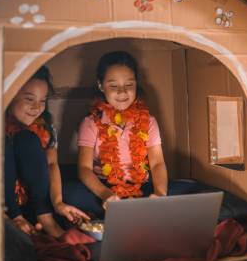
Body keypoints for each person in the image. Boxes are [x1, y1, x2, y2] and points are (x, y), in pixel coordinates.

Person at [63, 51, 204, 219]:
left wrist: (160, 194)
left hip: (141, 187)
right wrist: (106, 195)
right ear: (101, 86)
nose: (122, 92)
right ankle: (131, 211)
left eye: (129, 85)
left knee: (193, 189)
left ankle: (138, 209)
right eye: (114, 86)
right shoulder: (91, 122)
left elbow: (157, 163)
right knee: (69, 193)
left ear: (136, 83)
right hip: (105, 189)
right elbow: (84, 169)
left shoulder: (149, 121)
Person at [5, 66, 90, 238]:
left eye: (43, 101)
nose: (37, 108)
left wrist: (57, 203)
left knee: (27, 139)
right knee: (3, 143)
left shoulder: (45, 127)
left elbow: (51, 164)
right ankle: (14, 218)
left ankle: (46, 220)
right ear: (9, 96)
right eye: (29, 99)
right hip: (4, 202)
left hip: (35, 201)